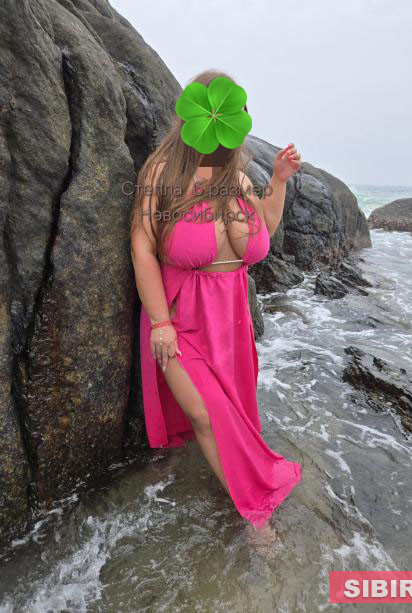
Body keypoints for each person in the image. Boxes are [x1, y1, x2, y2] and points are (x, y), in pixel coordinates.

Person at [130, 69, 302, 529]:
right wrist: (160, 323)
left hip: (231, 320)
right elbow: (142, 247)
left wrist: (280, 181)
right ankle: (256, 516)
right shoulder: (162, 174)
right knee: (206, 415)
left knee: (228, 415)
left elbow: (262, 233)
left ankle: (224, 479)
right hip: (181, 318)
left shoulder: (239, 179)